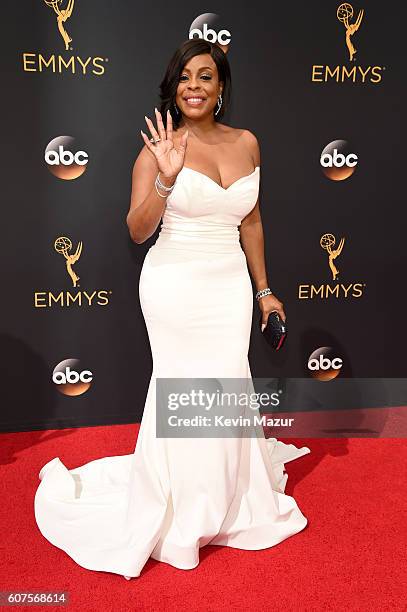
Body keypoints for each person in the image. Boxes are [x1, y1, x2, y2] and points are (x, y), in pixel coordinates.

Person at [34, 39, 311, 580]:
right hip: (174, 285)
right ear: (173, 86)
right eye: (184, 76)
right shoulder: (160, 147)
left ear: (221, 87)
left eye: (205, 76)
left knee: (229, 381)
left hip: (229, 285)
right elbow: (138, 230)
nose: (193, 86)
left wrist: (263, 289)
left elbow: (250, 220)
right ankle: (183, 503)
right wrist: (165, 176)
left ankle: (230, 496)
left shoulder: (248, 143)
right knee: (183, 386)